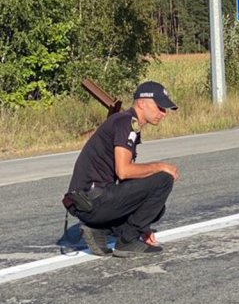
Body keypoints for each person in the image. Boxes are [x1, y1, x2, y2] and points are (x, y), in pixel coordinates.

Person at [63, 81, 179, 257]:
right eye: (160, 107)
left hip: (86, 202)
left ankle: (98, 230)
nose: (163, 114)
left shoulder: (124, 122)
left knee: (157, 207)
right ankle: (127, 241)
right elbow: (124, 171)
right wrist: (159, 166)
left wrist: (144, 226)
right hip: (92, 201)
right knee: (163, 179)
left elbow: (125, 180)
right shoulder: (127, 123)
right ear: (141, 103)